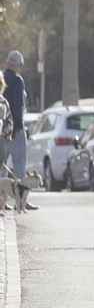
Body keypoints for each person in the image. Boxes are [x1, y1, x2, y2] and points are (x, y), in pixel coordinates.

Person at [2, 53, 32, 210]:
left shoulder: (2, 77)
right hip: (15, 129)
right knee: (20, 164)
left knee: (2, 165)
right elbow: (18, 106)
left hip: (2, 131)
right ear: (18, 65)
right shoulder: (17, 80)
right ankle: (21, 201)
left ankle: (2, 201)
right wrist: (19, 127)